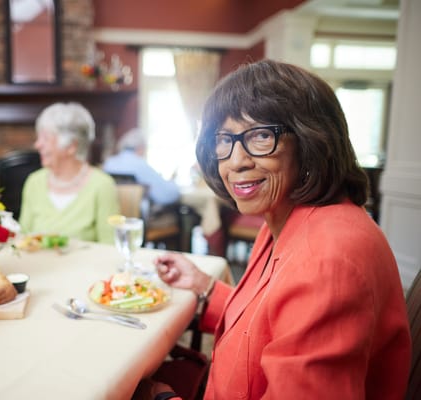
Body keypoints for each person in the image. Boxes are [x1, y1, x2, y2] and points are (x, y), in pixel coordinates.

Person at [135, 60, 411, 399]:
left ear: (312, 142)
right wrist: (204, 286)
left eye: (261, 135)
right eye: (224, 139)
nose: (235, 161)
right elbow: (273, 319)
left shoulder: (328, 261)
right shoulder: (286, 218)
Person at [19, 102, 119, 243]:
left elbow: (110, 248)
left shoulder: (102, 186)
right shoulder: (34, 182)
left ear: (71, 146)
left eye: (46, 139)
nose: (37, 145)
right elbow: (23, 240)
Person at [103, 128, 180, 207]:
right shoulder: (141, 165)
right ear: (140, 148)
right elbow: (166, 196)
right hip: (137, 215)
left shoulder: (109, 163)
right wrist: (173, 182)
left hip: (113, 212)